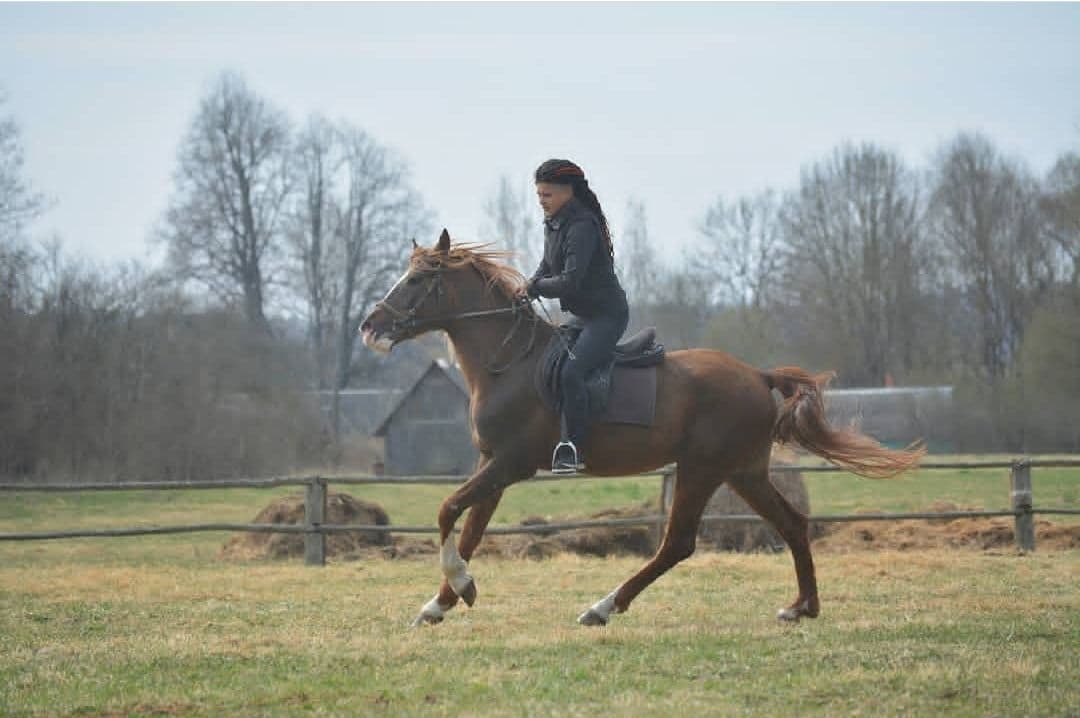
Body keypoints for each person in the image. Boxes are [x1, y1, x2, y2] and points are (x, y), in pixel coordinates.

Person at [526, 159, 629, 474]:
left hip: (607, 317)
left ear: (567, 192)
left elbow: (570, 281)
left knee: (571, 371)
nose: (541, 201)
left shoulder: (582, 226)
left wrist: (537, 288)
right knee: (550, 363)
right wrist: (528, 285)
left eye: (546, 195)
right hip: (583, 317)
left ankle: (572, 447)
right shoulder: (554, 222)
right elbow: (547, 267)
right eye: (539, 194)